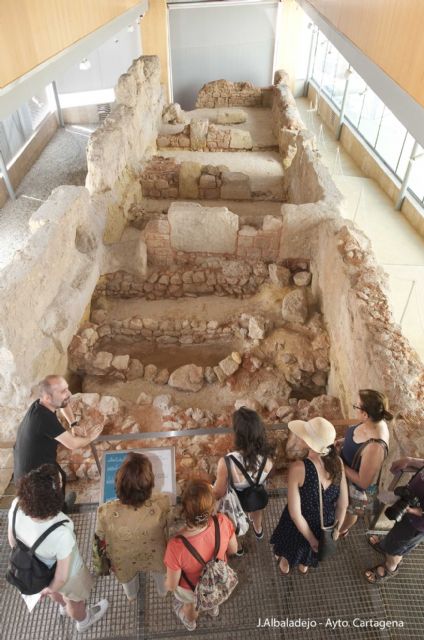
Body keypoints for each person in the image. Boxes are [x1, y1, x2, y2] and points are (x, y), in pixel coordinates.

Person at [7, 464, 108, 632]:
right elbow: (61, 577)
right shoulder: (61, 530)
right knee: (75, 601)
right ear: (53, 500)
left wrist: (46, 588)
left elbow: (13, 542)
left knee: (57, 592)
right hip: (69, 575)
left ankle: (61, 603)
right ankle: (83, 620)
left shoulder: (17, 504)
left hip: (42, 571)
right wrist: (48, 589)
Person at [270, 417, 348, 575]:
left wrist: (312, 540)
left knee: (291, 547)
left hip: (300, 526)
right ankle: (303, 567)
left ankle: (285, 564)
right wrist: (335, 532)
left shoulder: (299, 468)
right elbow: (343, 504)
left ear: (309, 442)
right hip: (324, 523)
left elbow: (295, 514)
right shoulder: (338, 463)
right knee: (309, 552)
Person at [13, 375, 103, 507]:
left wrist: (73, 424)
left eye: (66, 389)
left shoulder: (41, 405)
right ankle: (59, 511)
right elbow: (71, 443)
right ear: (48, 398)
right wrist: (91, 437)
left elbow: (63, 404)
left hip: (38, 463)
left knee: (61, 475)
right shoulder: (44, 419)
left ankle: (62, 504)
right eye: (63, 392)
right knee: (46, 504)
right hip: (31, 478)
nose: (69, 394)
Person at [94, 452, 170, 601]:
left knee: (127, 579)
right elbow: (170, 522)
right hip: (155, 554)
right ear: (150, 484)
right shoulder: (162, 502)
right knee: (160, 572)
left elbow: (99, 535)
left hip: (123, 559)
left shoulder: (104, 511)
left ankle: (132, 594)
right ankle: (162, 591)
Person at [164, 479, 237, 632]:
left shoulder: (176, 546)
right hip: (217, 578)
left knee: (191, 604)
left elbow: (171, 585)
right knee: (213, 590)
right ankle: (213, 608)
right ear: (211, 509)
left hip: (191, 587)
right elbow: (233, 550)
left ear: (184, 510)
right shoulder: (223, 522)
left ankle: (190, 622)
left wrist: (165, 584)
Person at [213, 407, 274, 544]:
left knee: (234, 520)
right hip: (257, 497)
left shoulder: (227, 462)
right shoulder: (268, 457)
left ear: (237, 435)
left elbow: (218, 492)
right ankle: (258, 530)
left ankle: (238, 546)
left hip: (238, 500)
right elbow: (266, 476)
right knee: (257, 511)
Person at [338, 389, 392, 538]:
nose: (354, 407)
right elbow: (356, 439)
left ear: (365, 414)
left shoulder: (375, 447)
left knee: (350, 509)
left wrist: (340, 464)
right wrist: (341, 442)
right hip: (343, 471)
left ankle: (341, 530)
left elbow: (363, 482)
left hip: (352, 487)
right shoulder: (371, 421)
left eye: (356, 406)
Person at [365, 456, 424, 583]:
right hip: (410, 506)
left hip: (417, 524)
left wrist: (412, 510)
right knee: (395, 536)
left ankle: (390, 567)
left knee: (397, 547)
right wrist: (411, 461)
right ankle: (386, 545)